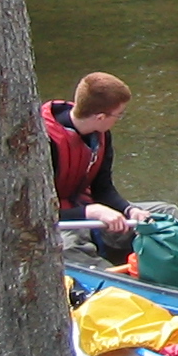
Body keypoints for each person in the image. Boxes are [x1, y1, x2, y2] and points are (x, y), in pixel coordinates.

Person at [44, 71, 148, 260]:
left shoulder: (101, 133)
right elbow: (37, 213)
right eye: (119, 115)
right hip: (57, 220)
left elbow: (103, 188)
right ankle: (114, 281)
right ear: (100, 117)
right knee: (70, 247)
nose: (119, 119)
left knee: (166, 212)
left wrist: (129, 210)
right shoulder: (43, 144)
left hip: (86, 207)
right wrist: (91, 211)